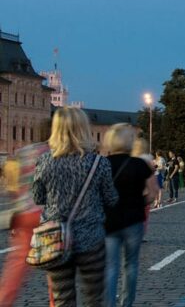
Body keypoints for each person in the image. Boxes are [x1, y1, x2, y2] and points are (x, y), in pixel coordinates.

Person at [32, 107, 120, 306]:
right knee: (93, 298)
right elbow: (111, 199)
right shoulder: (99, 163)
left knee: (62, 298)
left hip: (55, 239)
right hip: (91, 238)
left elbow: (38, 197)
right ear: (83, 129)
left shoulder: (44, 162)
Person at [103, 123, 153, 307]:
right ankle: (127, 303)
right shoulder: (139, 164)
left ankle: (109, 304)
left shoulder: (103, 163)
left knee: (110, 266)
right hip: (134, 220)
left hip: (109, 221)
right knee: (131, 264)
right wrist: (140, 203)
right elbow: (153, 193)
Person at [0, 142, 49, 306]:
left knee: (16, 266)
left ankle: (4, 301)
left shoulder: (23, 153)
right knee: (56, 264)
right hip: (46, 216)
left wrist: (16, 209)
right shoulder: (54, 153)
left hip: (25, 214)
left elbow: (12, 188)